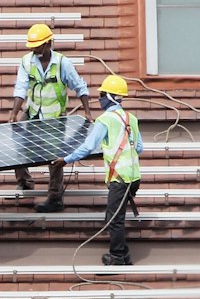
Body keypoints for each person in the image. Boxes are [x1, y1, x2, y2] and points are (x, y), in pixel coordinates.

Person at [53, 74, 144, 266]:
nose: (100, 98)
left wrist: (66, 160)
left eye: (102, 94)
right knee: (113, 216)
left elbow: (88, 147)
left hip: (120, 179)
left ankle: (118, 257)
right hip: (134, 178)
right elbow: (139, 148)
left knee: (114, 219)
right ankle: (124, 254)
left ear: (110, 97)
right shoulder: (131, 118)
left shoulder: (105, 120)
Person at [8, 22, 93, 214]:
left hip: (54, 117)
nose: (33, 49)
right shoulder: (26, 61)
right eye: (32, 46)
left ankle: (55, 197)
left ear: (48, 44)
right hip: (32, 111)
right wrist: (14, 114)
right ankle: (25, 182)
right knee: (16, 140)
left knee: (55, 157)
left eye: (37, 45)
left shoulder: (62, 63)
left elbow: (80, 86)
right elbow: (20, 88)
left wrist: (87, 112)